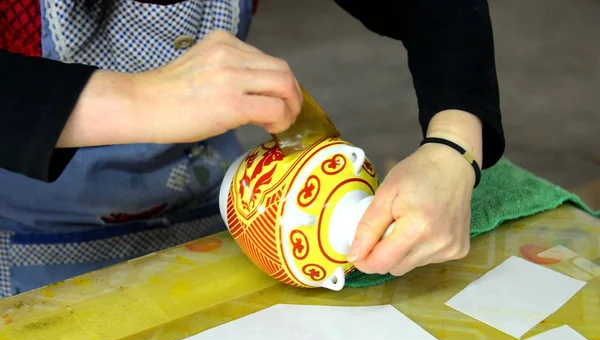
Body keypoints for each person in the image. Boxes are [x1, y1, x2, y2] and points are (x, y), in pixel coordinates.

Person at [0, 0, 504, 298]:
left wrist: (452, 149)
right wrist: (135, 98)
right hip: (28, 237)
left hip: (216, 213)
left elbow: (439, 10)